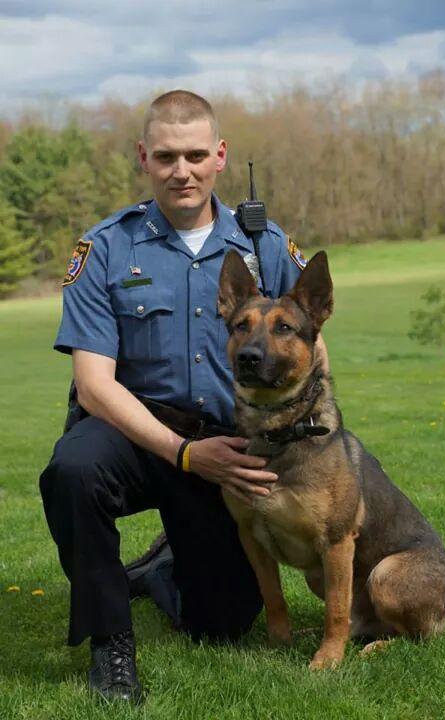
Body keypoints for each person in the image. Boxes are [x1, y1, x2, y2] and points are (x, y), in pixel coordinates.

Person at [39, 90, 329, 703]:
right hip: (132, 432)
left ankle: (159, 569)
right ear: (144, 157)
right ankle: (110, 644)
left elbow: (311, 344)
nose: (182, 171)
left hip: (229, 442)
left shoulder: (264, 243)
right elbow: (93, 385)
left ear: (220, 156)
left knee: (222, 623)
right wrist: (185, 454)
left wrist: (298, 434)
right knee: (73, 470)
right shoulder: (107, 248)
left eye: (196, 155)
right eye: (167, 156)